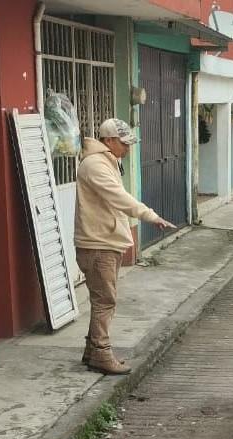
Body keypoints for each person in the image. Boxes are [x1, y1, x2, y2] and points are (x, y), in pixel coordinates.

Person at [75, 118, 175, 375]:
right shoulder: (95, 165)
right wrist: (149, 215)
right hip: (98, 244)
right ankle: (101, 354)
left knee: (102, 299)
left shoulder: (106, 161)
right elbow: (119, 198)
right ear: (109, 140)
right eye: (124, 143)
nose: (128, 149)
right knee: (104, 301)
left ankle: (92, 351)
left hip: (104, 241)